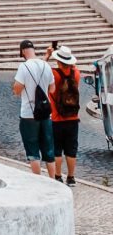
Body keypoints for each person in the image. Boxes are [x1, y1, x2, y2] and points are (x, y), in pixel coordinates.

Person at [13, 39, 56, 178]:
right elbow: (52, 89)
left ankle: (38, 181)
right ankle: (53, 181)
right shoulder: (46, 66)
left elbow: (17, 90)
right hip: (45, 114)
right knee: (49, 149)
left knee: (32, 149)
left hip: (28, 115)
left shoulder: (23, 67)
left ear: (23, 51)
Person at [44, 44, 81, 186]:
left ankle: (58, 176)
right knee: (71, 149)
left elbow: (40, 69)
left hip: (57, 118)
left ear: (58, 61)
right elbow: (73, 67)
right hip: (73, 118)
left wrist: (48, 55)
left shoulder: (53, 74)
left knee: (57, 148)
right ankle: (71, 178)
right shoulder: (76, 74)